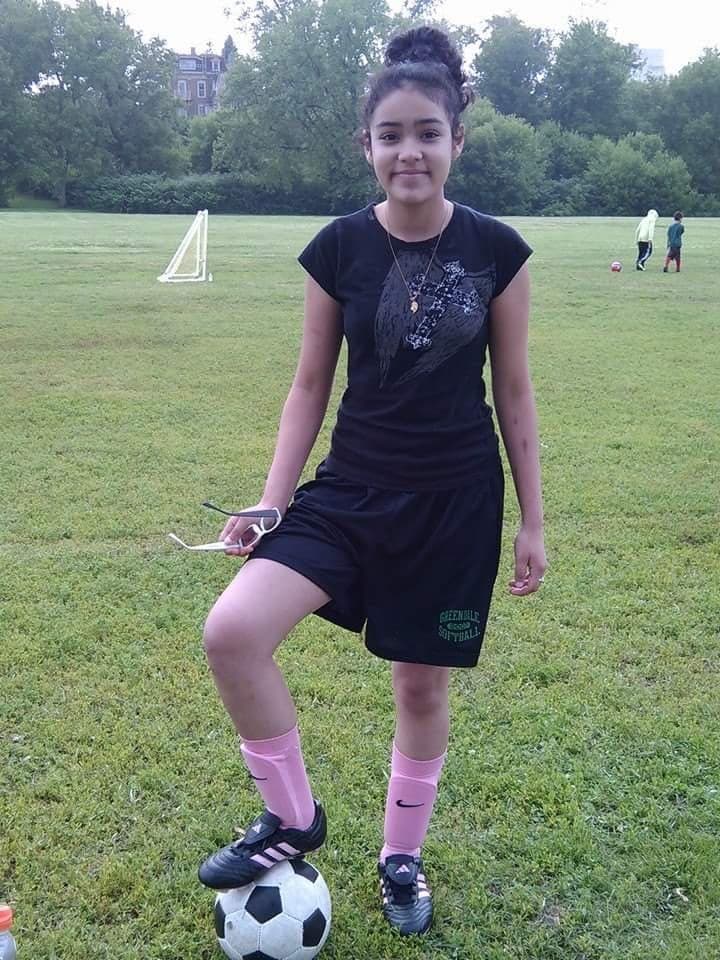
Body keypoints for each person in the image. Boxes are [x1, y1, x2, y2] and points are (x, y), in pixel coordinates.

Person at [196, 25, 547, 937]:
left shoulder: (498, 251)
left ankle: (402, 856)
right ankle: (292, 815)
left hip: (454, 503)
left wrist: (533, 522)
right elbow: (309, 383)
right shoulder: (338, 249)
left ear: (457, 140)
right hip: (350, 493)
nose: (410, 151)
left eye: (428, 131)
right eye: (391, 134)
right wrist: (273, 499)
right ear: (367, 145)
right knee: (233, 629)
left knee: (421, 689)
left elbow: (513, 392)